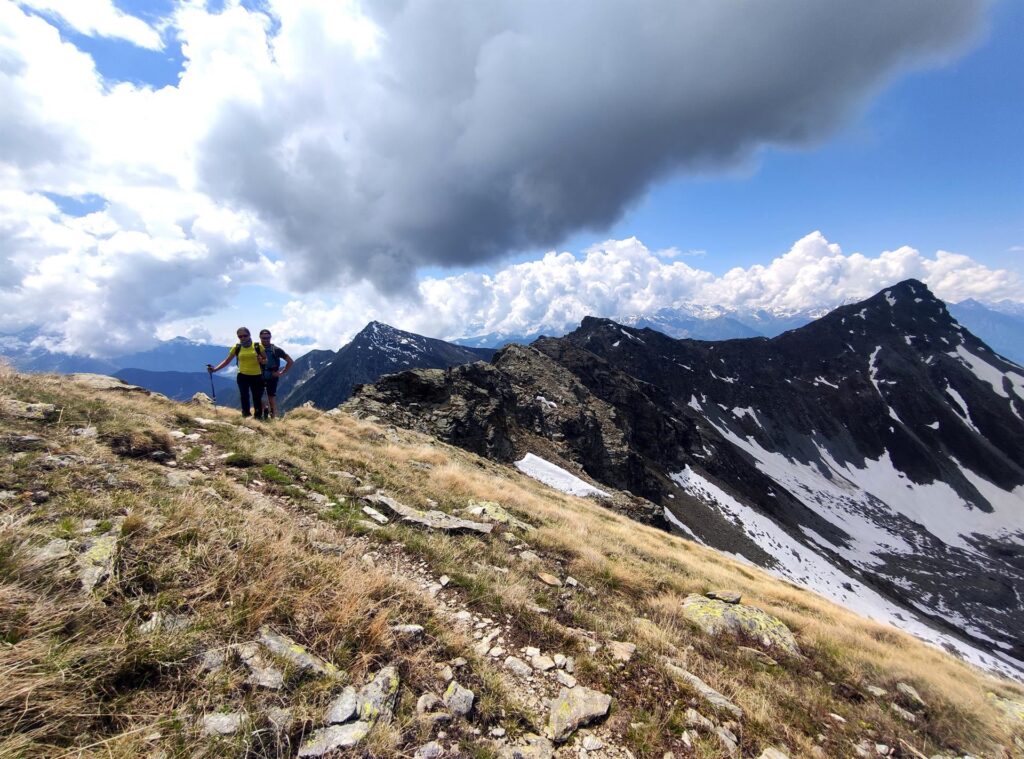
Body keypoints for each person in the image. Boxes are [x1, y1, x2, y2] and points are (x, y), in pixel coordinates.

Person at [207, 327, 266, 419]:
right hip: (242, 375)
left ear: (249, 335)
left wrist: (261, 360)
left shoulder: (258, 346)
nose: (242, 338)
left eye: (245, 336)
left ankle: (258, 416)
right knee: (244, 396)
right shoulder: (237, 347)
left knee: (256, 397)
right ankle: (246, 415)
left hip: (257, 375)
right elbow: (227, 361)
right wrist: (215, 369)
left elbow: (266, 360)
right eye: (240, 336)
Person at [258, 329, 294, 419]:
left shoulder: (258, 349)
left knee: (265, 396)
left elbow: (290, 361)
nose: (266, 339)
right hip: (269, 375)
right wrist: (281, 373)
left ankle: (269, 415)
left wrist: (281, 373)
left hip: (261, 375)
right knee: (269, 396)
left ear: (270, 337)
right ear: (260, 338)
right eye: (264, 338)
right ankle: (270, 415)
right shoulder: (276, 350)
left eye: (268, 337)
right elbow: (290, 361)